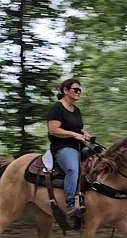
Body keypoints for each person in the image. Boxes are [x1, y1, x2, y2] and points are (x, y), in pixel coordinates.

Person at [46, 78, 91, 217]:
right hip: (63, 146)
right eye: (75, 90)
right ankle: (71, 205)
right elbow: (53, 129)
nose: (78, 93)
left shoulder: (76, 110)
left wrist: (84, 133)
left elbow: (77, 128)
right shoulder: (57, 108)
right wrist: (74, 135)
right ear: (65, 91)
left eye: (80, 90)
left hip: (79, 145)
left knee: (100, 158)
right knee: (72, 169)